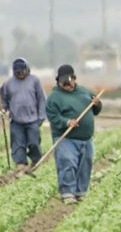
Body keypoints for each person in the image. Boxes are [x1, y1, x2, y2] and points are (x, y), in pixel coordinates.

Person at [45, 64, 102, 204]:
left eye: (68, 82)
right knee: (67, 163)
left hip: (86, 138)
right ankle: (68, 193)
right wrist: (66, 122)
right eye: (63, 83)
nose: (66, 85)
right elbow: (53, 117)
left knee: (85, 164)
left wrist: (97, 104)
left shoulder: (85, 92)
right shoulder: (54, 97)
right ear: (58, 81)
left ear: (74, 79)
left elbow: (95, 111)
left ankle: (81, 192)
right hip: (66, 138)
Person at [0, 58, 46, 172]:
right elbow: (4, 100)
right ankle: (20, 164)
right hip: (16, 120)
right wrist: (3, 109)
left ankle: (35, 161)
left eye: (22, 71)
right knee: (18, 144)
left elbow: (41, 99)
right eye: (17, 72)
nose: (20, 74)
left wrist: (41, 116)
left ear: (27, 69)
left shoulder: (34, 81)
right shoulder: (8, 84)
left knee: (34, 142)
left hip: (33, 119)